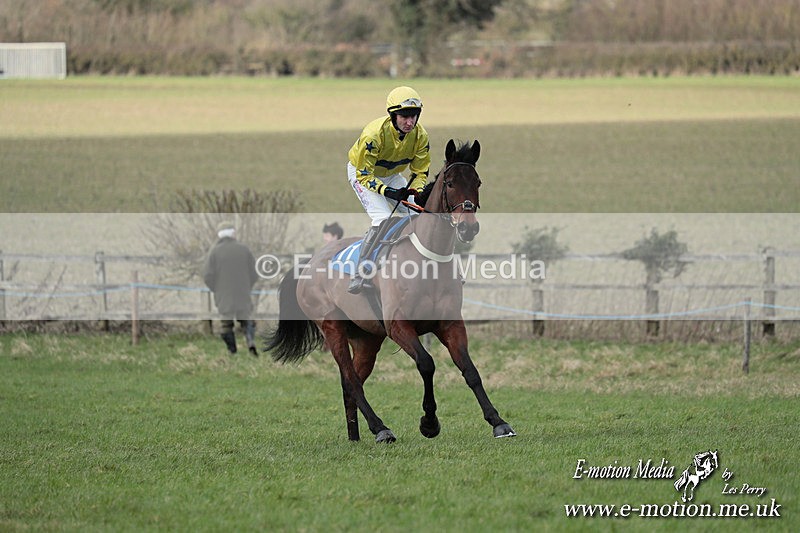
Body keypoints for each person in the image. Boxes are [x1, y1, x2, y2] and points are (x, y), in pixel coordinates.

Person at [346, 86, 431, 293]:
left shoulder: (420, 136)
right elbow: (365, 175)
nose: (410, 122)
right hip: (364, 174)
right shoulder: (373, 135)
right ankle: (362, 270)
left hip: (393, 176)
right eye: (404, 116)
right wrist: (389, 193)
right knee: (384, 218)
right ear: (392, 116)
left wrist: (416, 192)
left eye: (414, 116)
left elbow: (420, 173)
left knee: (421, 217)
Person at [203, 221, 259, 356]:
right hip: (242, 292)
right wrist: (247, 287)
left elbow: (207, 275)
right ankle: (250, 342)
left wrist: (216, 288)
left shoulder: (214, 252)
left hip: (224, 294)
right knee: (246, 321)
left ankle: (232, 350)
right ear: (233, 233)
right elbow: (254, 273)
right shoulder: (244, 249)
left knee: (226, 324)